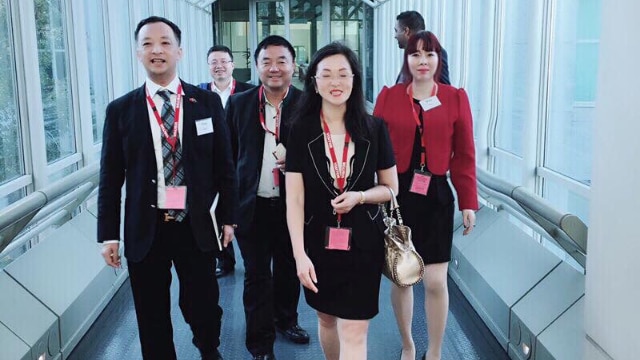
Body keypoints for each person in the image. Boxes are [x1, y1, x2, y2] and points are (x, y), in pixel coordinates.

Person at [97, 16, 238, 360]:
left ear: (179, 51)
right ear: (137, 53)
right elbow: (110, 177)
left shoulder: (205, 104)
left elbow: (225, 166)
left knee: (203, 304)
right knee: (150, 312)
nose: (156, 50)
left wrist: (230, 218)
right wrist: (109, 235)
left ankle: (209, 347)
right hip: (146, 227)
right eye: (147, 43)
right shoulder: (120, 111)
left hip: (196, 224)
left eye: (164, 42)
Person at [286, 42, 399, 360]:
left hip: (364, 241)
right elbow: (294, 198)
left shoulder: (374, 128)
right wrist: (299, 256)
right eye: (327, 74)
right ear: (314, 81)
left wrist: (361, 196)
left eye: (343, 74)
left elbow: (391, 188)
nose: (336, 82)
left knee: (354, 329)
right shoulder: (300, 130)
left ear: (355, 79)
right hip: (318, 242)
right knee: (326, 319)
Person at [373, 31, 478, 360]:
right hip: (397, 194)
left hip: (435, 194)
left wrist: (469, 202)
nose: (422, 61)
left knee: (434, 280)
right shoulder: (389, 97)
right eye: (415, 54)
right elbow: (373, 149)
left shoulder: (455, 97)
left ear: (438, 60)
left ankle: (434, 350)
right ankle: (408, 343)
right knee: (402, 278)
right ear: (406, 60)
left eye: (429, 55)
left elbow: (464, 154)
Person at [225, 35, 309, 360]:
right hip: (253, 206)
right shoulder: (239, 104)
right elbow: (228, 158)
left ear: (293, 66)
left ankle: (287, 319)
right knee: (257, 276)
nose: (274, 68)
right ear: (257, 66)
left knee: (289, 269)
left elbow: (319, 157)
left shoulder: (306, 105)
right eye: (266, 62)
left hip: (293, 207)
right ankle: (260, 345)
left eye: (281, 61)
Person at [199, 44, 255, 278]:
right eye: (214, 62)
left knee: (241, 208)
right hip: (211, 163)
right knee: (216, 210)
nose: (219, 66)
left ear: (233, 65)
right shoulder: (198, 95)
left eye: (224, 61)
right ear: (208, 66)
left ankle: (251, 255)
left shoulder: (248, 92)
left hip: (241, 160)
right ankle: (225, 258)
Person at [394, 11, 450, 85]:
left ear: (406, 31)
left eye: (396, 31)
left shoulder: (436, 52)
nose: (395, 36)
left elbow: (445, 89)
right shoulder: (410, 54)